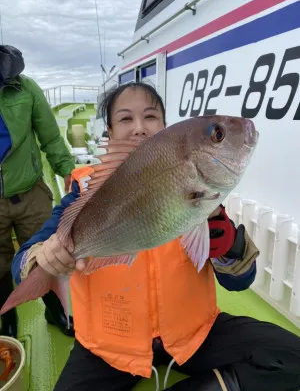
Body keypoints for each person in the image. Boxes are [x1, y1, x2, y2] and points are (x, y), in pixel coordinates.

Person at [12, 82, 300, 391]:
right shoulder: (81, 198)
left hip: (193, 335)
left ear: (164, 127)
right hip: (110, 348)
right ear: (109, 132)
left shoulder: (206, 198)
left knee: (291, 356)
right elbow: (21, 262)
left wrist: (225, 242)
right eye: (125, 119)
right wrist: (43, 255)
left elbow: (239, 281)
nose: (138, 128)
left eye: (150, 117)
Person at [0, 44, 75, 338]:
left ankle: (53, 308)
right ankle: (7, 314)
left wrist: (66, 168)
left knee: (45, 253)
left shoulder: (26, 88)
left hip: (30, 192)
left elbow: (51, 136)